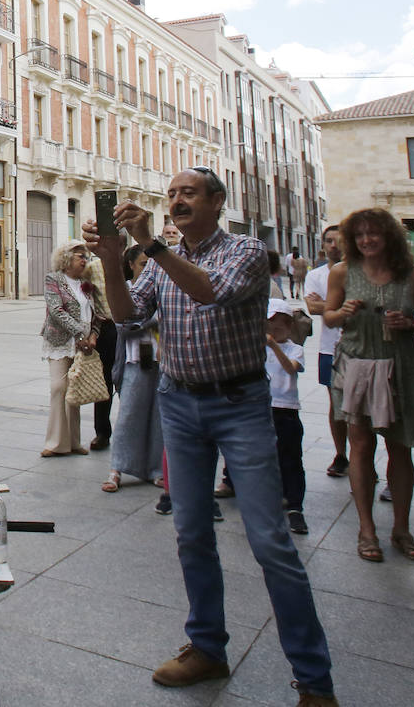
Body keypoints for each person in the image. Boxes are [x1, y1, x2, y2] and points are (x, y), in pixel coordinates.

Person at [86, 167, 337, 707]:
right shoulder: (160, 260)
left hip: (239, 405)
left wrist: (151, 244)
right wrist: (111, 259)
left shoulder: (243, 251)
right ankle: (207, 647)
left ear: (217, 202)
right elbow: (129, 314)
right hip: (179, 401)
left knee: (270, 541)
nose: (177, 200)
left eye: (189, 193)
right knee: (191, 531)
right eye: (172, 193)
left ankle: (314, 679)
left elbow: (210, 293)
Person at [324, 208, 414, 564]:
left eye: (373, 233)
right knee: (360, 446)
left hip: (398, 365)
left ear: (389, 236)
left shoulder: (413, 276)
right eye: (359, 235)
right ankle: (366, 529)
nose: (367, 240)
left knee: (400, 446)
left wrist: (410, 323)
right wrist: (343, 314)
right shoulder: (342, 272)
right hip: (356, 364)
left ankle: (401, 529)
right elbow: (328, 316)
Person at [102, 244, 163, 493]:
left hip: (162, 359)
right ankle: (117, 468)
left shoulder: (163, 289)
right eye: (143, 265)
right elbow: (124, 323)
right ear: (131, 265)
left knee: (160, 417)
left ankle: (157, 469)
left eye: (152, 266)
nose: (149, 271)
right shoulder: (126, 291)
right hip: (135, 359)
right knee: (129, 414)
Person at [40, 241, 102, 457]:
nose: (85, 260)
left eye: (85, 257)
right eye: (80, 257)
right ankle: (56, 442)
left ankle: (73, 442)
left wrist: (93, 334)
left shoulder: (87, 282)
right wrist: (79, 333)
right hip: (60, 340)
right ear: (66, 259)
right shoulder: (53, 279)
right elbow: (56, 309)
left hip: (83, 341)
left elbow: (98, 312)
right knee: (59, 387)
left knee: (74, 389)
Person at [304, 225, 348, 478]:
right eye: (329, 240)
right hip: (329, 347)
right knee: (336, 404)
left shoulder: (358, 271)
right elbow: (313, 307)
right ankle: (341, 453)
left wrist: (327, 306)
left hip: (355, 348)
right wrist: (341, 307)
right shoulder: (317, 275)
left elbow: (323, 307)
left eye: (338, 240)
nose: (334, 245)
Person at [264, 299, 308, 535]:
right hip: (263, 408)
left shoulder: (294, 349)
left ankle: (295, 505)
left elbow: (291, 368)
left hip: (287, 410)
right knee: (265, 458)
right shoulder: (260, 347)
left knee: (291, 457)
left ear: (289, 326)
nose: (273, 332)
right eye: (269, 327)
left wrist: (274, 347)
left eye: (278, 327)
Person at [82, 251, 117, 451]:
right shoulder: (93, 267)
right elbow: (83, 295)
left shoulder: (131, 261)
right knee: (104, 381)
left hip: (132, 326)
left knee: (132, 381)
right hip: (107, 327)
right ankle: (102, 432)